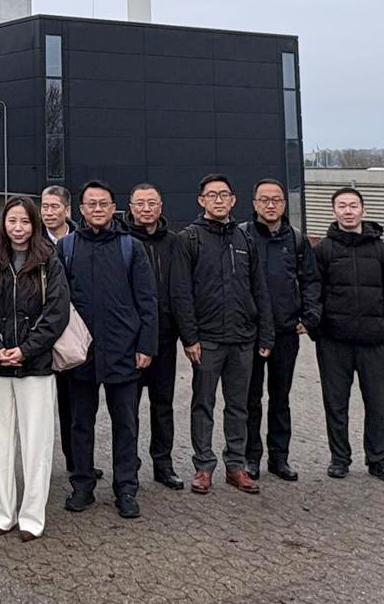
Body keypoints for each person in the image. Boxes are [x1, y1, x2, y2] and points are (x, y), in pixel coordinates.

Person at [0, 196, 70, 541]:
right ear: (4, 224)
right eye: (12, 221)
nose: (18, 228)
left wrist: (26, 351)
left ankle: (31, 516)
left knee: (36, 443)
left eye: (25, 221)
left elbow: (57, 313)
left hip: (36, 365)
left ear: (35, 225)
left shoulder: (49, 262)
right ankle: (0, 514)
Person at [60, 180, 157, 520]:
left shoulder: (131, 247)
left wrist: (146, 345)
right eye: (91, 204)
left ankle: (126, 488)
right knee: (80, 424)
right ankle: (82, 486)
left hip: (123, 351)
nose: (98, 209)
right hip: (80, 353)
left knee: (126, 424)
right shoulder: (67, 247)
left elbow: (148, 301)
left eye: (103, 203)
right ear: (81, 210)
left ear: (114, 208)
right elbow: (58, 301)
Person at [172, 174, 274, 496]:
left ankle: (236, 466)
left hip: (243, 339)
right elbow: (181, 293)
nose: (218, 200)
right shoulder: (189, 239)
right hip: (208, 340)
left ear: (233, 200)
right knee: (203, 404)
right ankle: (204, 466)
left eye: (224, 195)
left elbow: (259, 289)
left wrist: (266, 335)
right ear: (201, 201)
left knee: (238, 406)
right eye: (212, 195)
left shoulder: (245, 239)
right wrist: (190, 338)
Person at [313, 187, 384, 483]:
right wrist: (318, 330)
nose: (348, 211)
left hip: (376, 343)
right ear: (334, 211)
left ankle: (378, 460)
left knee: (377, 404)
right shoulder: (323, 251)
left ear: (363, 211)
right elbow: (312, 291)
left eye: (353, 205)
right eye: (342, 206)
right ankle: (339, 458)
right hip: (334, 342)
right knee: (336, 403)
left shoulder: (382, 251)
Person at [242, 179, 320, 482]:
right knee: (250, 400)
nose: (270, 205)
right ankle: (251, 457)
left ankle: (279, 458)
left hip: (286, 332)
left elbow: (311, 280)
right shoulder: (242, 236)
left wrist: (309, 317)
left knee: (280, 398)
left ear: (284, 204)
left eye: (276, 199)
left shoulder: (297, 240)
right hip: (250, 333)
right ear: (254, 204)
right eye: (264, 199)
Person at [126, 183, 184, 490]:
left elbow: (183, 289)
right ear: (130, 208)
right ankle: (129, 465)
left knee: (163, 404)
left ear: (160, 207)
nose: (146, 209)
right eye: (140, 203)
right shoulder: (122, 241)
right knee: (128, 407)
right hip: (130, 340)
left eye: (152, 203)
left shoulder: (175, 242)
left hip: (165, 338)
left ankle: (163, 464)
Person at [41, 185, 91, 479]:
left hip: (76, 331)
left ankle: (77, 461)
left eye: (54, 207)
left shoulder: (80, 241)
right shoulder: (33, 240)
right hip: (44, 332)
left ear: (67, 210)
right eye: (44, 207)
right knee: (49, 402)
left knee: (76, 402)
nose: (49, 213)